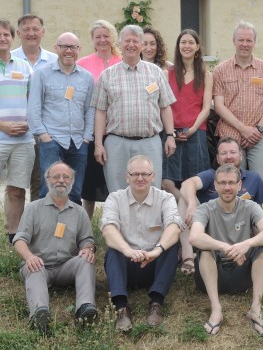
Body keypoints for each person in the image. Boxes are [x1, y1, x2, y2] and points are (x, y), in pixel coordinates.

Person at [190, 164, 263, 336]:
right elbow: (194, 237)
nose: (227, 187)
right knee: (204, 249)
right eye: (222, 183)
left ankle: (256, 308)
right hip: (212, 274)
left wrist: (246, 245)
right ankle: (216, 309)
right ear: (215, 185)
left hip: (242, 275)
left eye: (231, 183)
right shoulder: (205, 208)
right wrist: (226, 247)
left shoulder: (251, 206)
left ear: (239, 185)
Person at [100, 155, 183, 331]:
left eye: (145, 174)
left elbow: (175, 228)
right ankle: (121, 307)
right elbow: (108, 230)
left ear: (153, 176)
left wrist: (157, 250)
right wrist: (127, 250)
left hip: (154, 263)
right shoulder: (114, 198)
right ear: (126, 177)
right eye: (135, 174)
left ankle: (156, 303)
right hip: (126, 264)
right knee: (113, 251)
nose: (140, 178)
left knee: (171, 245)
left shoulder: (165, 198)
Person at [13, 162, 97, 335]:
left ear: (72, 181)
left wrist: (88, 248)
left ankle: (85, 308)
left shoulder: (79, 212)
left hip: (66, 266)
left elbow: (87, 239)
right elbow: (20, 240)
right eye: (56, 176)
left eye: (66, 177)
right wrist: (29, 257)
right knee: (34, 268)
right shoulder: (33, 209)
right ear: (47, 180)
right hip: (40, 265)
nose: (61, 180)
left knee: (86, 261)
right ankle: (39, 313)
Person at [91, 25, 177, 192]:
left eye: (136, 41)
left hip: (149, 142)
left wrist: (170, 136)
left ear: (142, 45)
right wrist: (98, 144)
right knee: (117, 192)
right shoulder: (107, 75)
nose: (131, 45)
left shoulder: (156, 73)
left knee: (151, 191)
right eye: (127, 41)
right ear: (120, 44)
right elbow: (100, 112)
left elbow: (165, 107)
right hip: (116, 143)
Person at [178, 137, 263, 275]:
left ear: (241, 156)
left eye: (232, 152)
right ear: (218, 158)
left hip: (242, 232)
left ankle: (259, 257)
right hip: (213, 232)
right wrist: (192, 204)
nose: (229, 156)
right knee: (184, 199)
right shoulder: (211, 175)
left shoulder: (254, 178)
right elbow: (187, 184)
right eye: (224, 153)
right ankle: (188, 257)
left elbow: (262, 210)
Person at [28, 32, 95, 205]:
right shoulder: (41, 75)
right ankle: (47, 231)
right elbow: (34, 108)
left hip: (79, 142)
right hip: (52, 140)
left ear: (79, 49)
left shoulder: (87, 78)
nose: (68, 50)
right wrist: (44, 137)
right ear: (56, 48)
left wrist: (87, 138)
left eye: (72, 47)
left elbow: (90, 110)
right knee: (48, 190)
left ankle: (70, 231)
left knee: (74, 192)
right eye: (64, 46)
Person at [213, 21, 263, 185]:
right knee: (233, 181)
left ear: (254, 42)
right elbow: (219, 106)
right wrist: (243, 129)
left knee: (258, 181)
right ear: (234, 41)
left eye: (249, 40)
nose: (245, 44)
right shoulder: (220, 70)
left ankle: (254, 211)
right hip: (231, 136)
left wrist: (257, 130)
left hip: (259, 136)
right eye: (241, 40)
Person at [10, 14, 58, 218]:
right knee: (16, 185)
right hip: (15, 133)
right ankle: (15, 230)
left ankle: (38, 227)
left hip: (44, 133)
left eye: (35, 29)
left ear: (43, 32)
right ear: (18, 33)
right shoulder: (9, 58)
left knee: (41, 182)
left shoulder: (54, 60)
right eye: (26, 29)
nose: (31, 33)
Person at [77, 19, 122, 219]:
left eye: (106, 35)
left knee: (118, 181)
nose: (103, 40)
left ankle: (117, 222)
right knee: (90, 183)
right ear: (92, 40)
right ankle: (87, 226)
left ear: (113, 37)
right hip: (93, 131)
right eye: (98, 37)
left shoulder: (122, 61)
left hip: (119, 131)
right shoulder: (83, 64)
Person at [162, 29, 211, 201]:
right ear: (178, 46)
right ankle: (187, 207)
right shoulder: (167, 73)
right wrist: (171, 132)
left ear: (197, 47)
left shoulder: (206, 76)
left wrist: (192, 129)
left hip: (196, 133)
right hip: (171, 133)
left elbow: (206, 108)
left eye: (191, 42)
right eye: (183, 42)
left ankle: (193, 215)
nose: (187, 46)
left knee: (195, 178)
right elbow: (164, 104)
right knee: (168, 181)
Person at [0, 19, 34, 244]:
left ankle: (14, 237)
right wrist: (2, 125)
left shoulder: (24, 66)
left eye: (6, 35)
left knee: (17, 190)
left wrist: (30, 123)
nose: (2, 39)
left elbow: (34, 100)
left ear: (13, 38)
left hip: (23, 139)